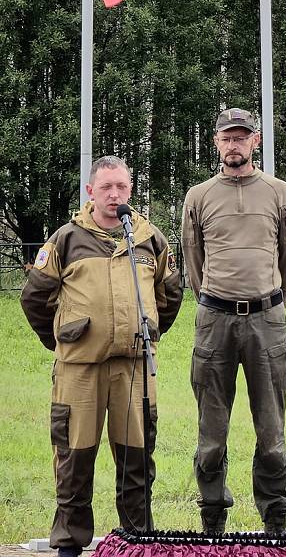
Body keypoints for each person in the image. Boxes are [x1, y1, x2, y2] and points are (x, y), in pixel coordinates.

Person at [20, 156, 183, 557]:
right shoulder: (66, 239)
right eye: (106, 187)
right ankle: (70, 545)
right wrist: (64, 341)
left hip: (133, 369)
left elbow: (171, 296)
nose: (115, 195)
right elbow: (35, 299)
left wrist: (144, 333)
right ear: (90, 192)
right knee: (74, 459)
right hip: (80, 371)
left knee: (137, 461)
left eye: (122, 187)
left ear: (131, 190)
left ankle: (136, 541)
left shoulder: (149, 239)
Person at [182, 108, 286, 536]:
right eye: (227, 138)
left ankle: (275, 517)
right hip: (214, 321)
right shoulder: (198, 196)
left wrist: (271, 302)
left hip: (267, 322)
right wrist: (214, 299)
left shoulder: (278, 192)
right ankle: (212, 515)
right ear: (216, 142)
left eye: (242, 137)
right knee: (211, 432)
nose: (234, 145)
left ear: (256, 141)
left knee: (271, 431)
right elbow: (193, 260)